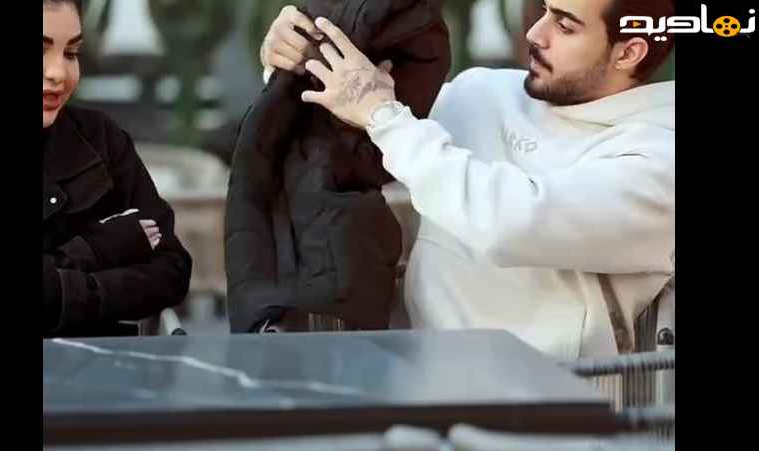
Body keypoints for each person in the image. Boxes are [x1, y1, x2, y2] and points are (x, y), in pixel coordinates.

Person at [259, 0, 675, 359]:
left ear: (628, 52)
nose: (535, 33)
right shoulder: (485, 91)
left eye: (565, 26)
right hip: (420, 383)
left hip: (554, 404)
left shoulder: (659, 157)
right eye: (546, 10)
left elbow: (511, 223)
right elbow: (349, 130)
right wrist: (294, 64)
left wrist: (382, 115)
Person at [43, 0, 192, 337]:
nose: (58, 73)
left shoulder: (100, 139)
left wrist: (73, 291)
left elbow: (172, 269)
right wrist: (96, 249)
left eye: (71, 53)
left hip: (105, 365)